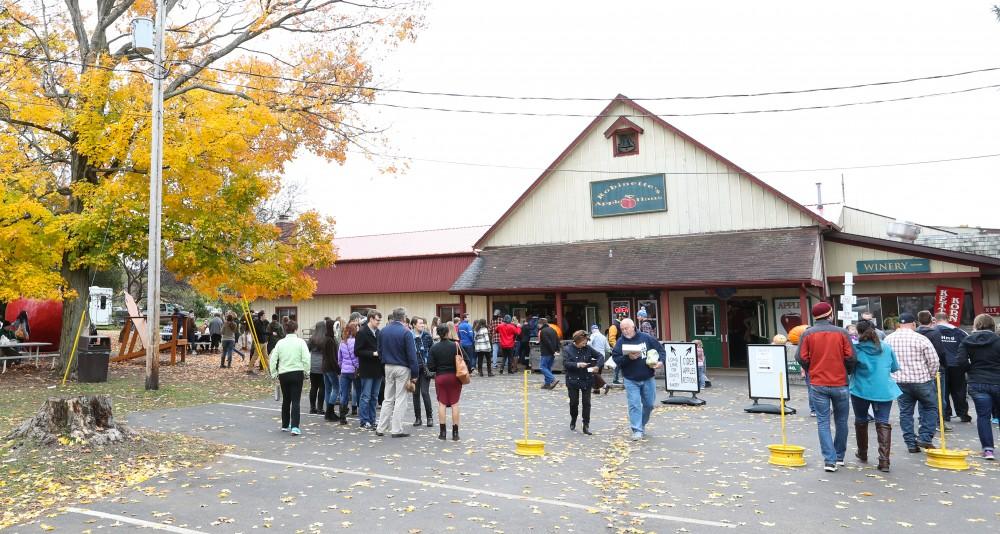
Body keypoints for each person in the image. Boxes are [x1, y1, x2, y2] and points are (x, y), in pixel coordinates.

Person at [795, 302, 856, 472]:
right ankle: (839, 456)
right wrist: (846, 371)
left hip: (818, 382)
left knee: (823, 421)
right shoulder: (842, 333)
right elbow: (851, 356)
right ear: (830, 315)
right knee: (841, 421)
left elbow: (801, 356)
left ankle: (829, 460)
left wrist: (811, 369)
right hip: (840, 382)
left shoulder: (807, 334)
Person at [850, 320, 901, 472]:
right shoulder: (886, 347)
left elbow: (850, 368)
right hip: (884, 389)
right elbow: (894, 368)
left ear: (858, 333)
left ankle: (862, 452)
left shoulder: (856, 349)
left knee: (861, 420)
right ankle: (884, 461)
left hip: (860, 389)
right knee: (883, 422)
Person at [885, 312, 940, 453]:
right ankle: (925, 437)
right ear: (914, 324)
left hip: (900, 381)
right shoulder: (921, 338)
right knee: (930, 407)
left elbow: (885, 360)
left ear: (899, 324)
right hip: (921, 380)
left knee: (905, 413)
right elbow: (934, 360)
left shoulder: (888, 339)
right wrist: (931, 375)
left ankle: (910, 443)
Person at [611, 318, 663, 441]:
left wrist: (661, 361)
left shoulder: (646, 338)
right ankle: (637, 429)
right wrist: (628, 358)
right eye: (622, 329)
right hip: (630, 379)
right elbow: (616, 359)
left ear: (633, 327)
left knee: (649, 405)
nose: (624, 331)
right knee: (634, 405)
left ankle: (642, 424)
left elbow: (661, 350)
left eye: (626, 328)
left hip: (647, 377)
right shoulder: (620, 342)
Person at [958, 314, 1000, 460]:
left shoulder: (967, 341)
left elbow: (961, 361)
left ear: (976, 325)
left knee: (983, 416)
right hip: (997, 380)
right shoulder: (998, 340)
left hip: (977, 382)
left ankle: (988, 449)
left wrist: (971, 370)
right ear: (992, 325)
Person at [375, 307, 419, 438]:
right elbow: (412, 356)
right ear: (404, 318)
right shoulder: (406, 332)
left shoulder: (383, 331)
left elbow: (380, 350)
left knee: (388, 398)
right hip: (402, 367)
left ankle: (381, 428)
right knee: (401, 399)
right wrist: (415, 374)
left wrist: (384, 363)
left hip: (388, 366)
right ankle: (396, 429)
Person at [269, 320, 310, 435]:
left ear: (285, 330)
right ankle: (295, 426)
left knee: (286, 400)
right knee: (296, 401)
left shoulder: (280, 343)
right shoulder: (301, 342)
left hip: (283, 373)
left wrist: (273, 373)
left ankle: (285, 424)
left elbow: (273, 359)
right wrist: (307, 372)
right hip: (297, 373)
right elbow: (306, 358)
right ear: (296, 329)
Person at [428, 324, 466, 441]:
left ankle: (442, 433)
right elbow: (467, 360)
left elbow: (431, 367)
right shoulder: (455, 345)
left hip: (440, 377)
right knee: (455, 403)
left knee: (442, 404)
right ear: (448, 332)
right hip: (454, 377)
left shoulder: (434, 348)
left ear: (438, 334)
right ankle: (455, 433)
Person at [564, 330, 605, 434]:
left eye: (586, 341)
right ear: (577, 340)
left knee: (587, 403)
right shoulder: (568, 349)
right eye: (583, 341)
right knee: (574, 403)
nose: (585, 343)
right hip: (572, 380)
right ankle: (573, 418)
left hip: (586, 379)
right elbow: (565, 363)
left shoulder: (588, 348)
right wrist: (577, 364)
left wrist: (597, 366)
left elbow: (600, 356)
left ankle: (586, 424)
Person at [355, 309, 382, 430]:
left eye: (380, 320)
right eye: (377, 320)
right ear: (371, 319)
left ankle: (372, 419)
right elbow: (357, 351)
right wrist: (372, 354)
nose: (379, 322)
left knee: (374, 396)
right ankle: (364, 420)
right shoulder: (362, 332)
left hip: (377, 369)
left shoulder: (379, 332)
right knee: (365, 396)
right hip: (367, 369)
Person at [410, 316, 434, 427]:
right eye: (420, 323)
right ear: (414, 324)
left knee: (425, 392)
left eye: (423, 323)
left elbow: (432, 350)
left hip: (425, 368)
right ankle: (418, 418)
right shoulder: (409, 336)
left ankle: (430, 417)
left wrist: (431, 365)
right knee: (415, 393)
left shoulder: (427, 336)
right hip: (414, 368)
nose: (422, 325)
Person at [306, 320, 332, 415]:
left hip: (313, 364)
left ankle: (312, 408)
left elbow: (307, 349)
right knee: (322, 387)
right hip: (323, 364)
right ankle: (320, 408)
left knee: (313, 387)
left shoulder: (312, 338)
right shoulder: (326, 339)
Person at [337, 322, 360, 424]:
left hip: (344, 371)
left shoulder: (342, 342)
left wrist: (343, 367)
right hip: (354, 371)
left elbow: (339, 359)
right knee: (359, 392)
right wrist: (357, 367)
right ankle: (362, 415)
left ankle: (342, 417)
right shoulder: (356, 342)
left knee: (344, 394)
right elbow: (357, 357)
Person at [538, 318, 561, 390]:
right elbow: (557, 340)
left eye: (538, 324)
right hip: (552, 352)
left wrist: (552, 351)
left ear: (541, 324)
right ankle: (547, 384)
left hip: (546, 352)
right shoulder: (553, 330)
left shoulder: (543, 331)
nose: (538, 326)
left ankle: (553, 379)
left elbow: (547, 342)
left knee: (542, 367)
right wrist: (557, 350)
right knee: (548, 367)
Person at [588, 324, 611, 395]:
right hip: (602, 357)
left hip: (594, 358)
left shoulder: (593, 335)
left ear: (592, 330)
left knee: (593, 373)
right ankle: (596, 389)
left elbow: (588, 343)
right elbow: (607, 348)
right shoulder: (603, 337)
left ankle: (605, 385)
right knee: (598, 373)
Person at [609, 314, 623, 384]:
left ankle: (620, 378)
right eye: (622, 317)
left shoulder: (620, 325)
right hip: (618, 348)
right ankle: (615, 379)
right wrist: (616, 347)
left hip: (622, 347)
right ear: (619, 317)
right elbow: (612, 339)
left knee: (621, 363)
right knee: (618, 363)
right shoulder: (614, 326)